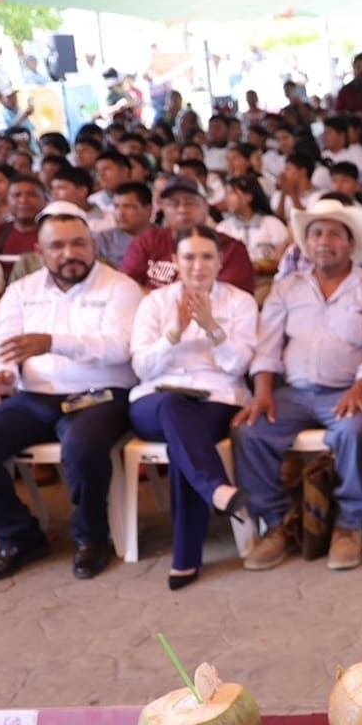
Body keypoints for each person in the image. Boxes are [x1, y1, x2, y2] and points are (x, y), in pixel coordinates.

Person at [0, 205, 142, 584]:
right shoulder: (22, 291)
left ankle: (91, 537)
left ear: (93, 245)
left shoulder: (120, 286)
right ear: (40, 252)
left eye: (78, 244)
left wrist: (52, 342)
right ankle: (20, 537)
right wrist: (0, 374)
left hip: (100, 393)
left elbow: (120, 347)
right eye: (57, 246)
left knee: (83, 446)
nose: (69, 254)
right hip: (36, 394)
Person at [235, 200, 362, 573]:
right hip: (293, 393)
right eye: (316, 234)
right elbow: (267, 344)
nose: (324, 241)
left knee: (354, 430)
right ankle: (276, 524)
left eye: (335, 234)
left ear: (350, 244)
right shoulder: (287, 287)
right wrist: (263, 392)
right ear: (306, 243)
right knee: (249, 430)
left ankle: (348, 525)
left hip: (347, 390)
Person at [127, 230, 259, 591]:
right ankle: (216, 488)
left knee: (183, 440)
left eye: (206, 257)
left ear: (219, 261)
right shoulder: (153, 303)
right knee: (172, 406)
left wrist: (212, 328)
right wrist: (174, 332)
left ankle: (186, 555)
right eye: (189, 257)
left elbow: (237, 366)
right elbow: (142, 368)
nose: (197, 266)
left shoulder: (240, 302)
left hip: (215, 396)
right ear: (175, 261)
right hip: (155, 398)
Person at [119, 177, 255, 292]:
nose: (182, 209)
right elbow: (125, 287)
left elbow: (231, 301)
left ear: (206, 207)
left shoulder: (231, 248)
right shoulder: (148, 241)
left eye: (190, 203)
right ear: (163, 208)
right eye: (173, 203)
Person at [217, 175, 289, 274]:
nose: (226, 199)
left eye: (231, 193)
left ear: (248, 196)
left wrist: (262, 267)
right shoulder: (223, 228)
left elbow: (285, 260)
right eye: (226, 194)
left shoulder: (272, 224)